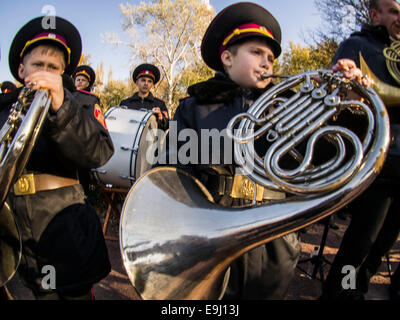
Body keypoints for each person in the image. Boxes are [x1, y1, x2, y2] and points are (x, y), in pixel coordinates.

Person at [162, 2, 367, 299]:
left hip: (274, 240)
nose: (267, 62)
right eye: (256, 52)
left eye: (270, 57)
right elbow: (172, 172)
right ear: (227, 58)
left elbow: (330, 154)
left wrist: (349, 106)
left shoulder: (288, 105)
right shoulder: (195, 107)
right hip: (210, 235)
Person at [0, 15, 114, 300]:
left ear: (62, 74)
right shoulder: (4, 109)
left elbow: (99, 153)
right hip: (14, 228)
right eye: (38, 65)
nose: (44, 72)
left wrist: (62, 107)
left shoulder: (80, 104)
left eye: (53, 68)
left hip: (64, 231)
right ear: (20, 68)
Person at [321, 0, 400, 300]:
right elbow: (336, 94)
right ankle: (339, 295)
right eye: (393, 10)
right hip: (377, 159)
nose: (399, 17)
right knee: (360, 245)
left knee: (382, 246)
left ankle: (358, 289)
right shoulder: (357, 44)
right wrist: (349, 82)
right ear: (375, 15)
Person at [120, 63, 169, 130]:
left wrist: (162, 119)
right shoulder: (126, 103)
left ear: (152, 84)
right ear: (137, 82)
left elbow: (169, 126)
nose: (146, 84)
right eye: (143, 80)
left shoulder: (160, 104)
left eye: (149, 81)